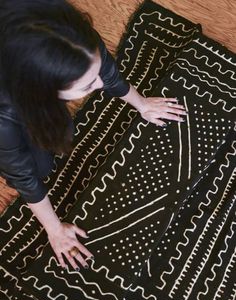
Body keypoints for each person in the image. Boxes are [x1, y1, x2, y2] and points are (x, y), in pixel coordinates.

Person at [0, 0, 187, 271]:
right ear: (41, 93)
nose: (99, 84)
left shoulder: (69, 35)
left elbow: (107, 73)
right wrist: (55, 230)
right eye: (88, 84)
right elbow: (24, 177)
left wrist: (142, 104)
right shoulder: (5, 120)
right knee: (41, 166)